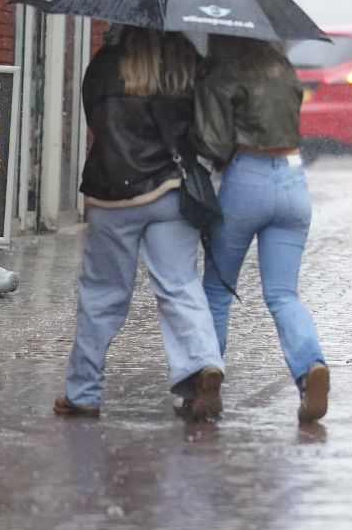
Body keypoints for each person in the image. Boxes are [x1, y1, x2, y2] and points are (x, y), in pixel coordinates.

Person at [54, 27, 225, 421]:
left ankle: (83, 392)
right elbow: (203, 127)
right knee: (179, 286)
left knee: (102, 296)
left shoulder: (106, 65)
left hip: (112, 194)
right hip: (169, 191)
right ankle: (202, 363)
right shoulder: (185, 62)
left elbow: (94, 119)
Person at [194, 36, 331, 424]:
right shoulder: (282, 66)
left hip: (247, 177)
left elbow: (215, 142)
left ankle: (206, 375)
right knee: (284, 294)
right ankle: (310, 368)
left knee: (217, 290)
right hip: (292, 177)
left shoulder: (223, 69)